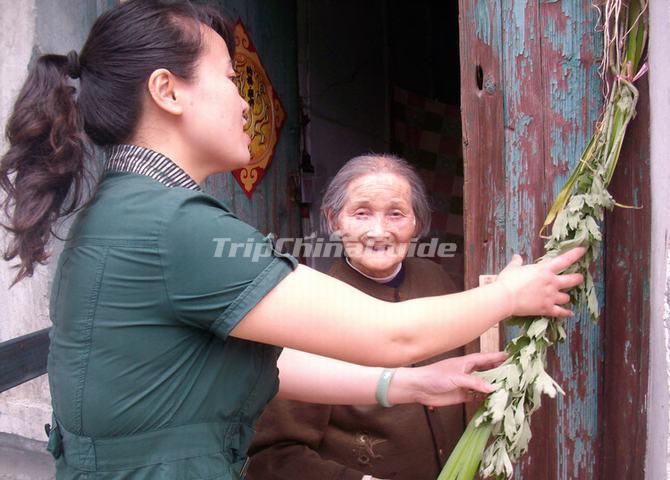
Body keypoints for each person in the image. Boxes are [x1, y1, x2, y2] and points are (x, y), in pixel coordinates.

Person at [0, 1, 585, 479]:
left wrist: (406, 385)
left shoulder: (123, 208)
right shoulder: (173, 226)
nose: (244, 100)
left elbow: (250, 367)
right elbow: (392, 332)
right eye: (230, 79)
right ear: (168, 91)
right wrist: (511, 293)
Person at [247, 154, 470, 480]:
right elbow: (272, 457)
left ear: (417, 223)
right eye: (361, 213)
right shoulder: (310, 311)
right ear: (334, 220)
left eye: (396, 214)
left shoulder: (437, 281)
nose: (378, 231)